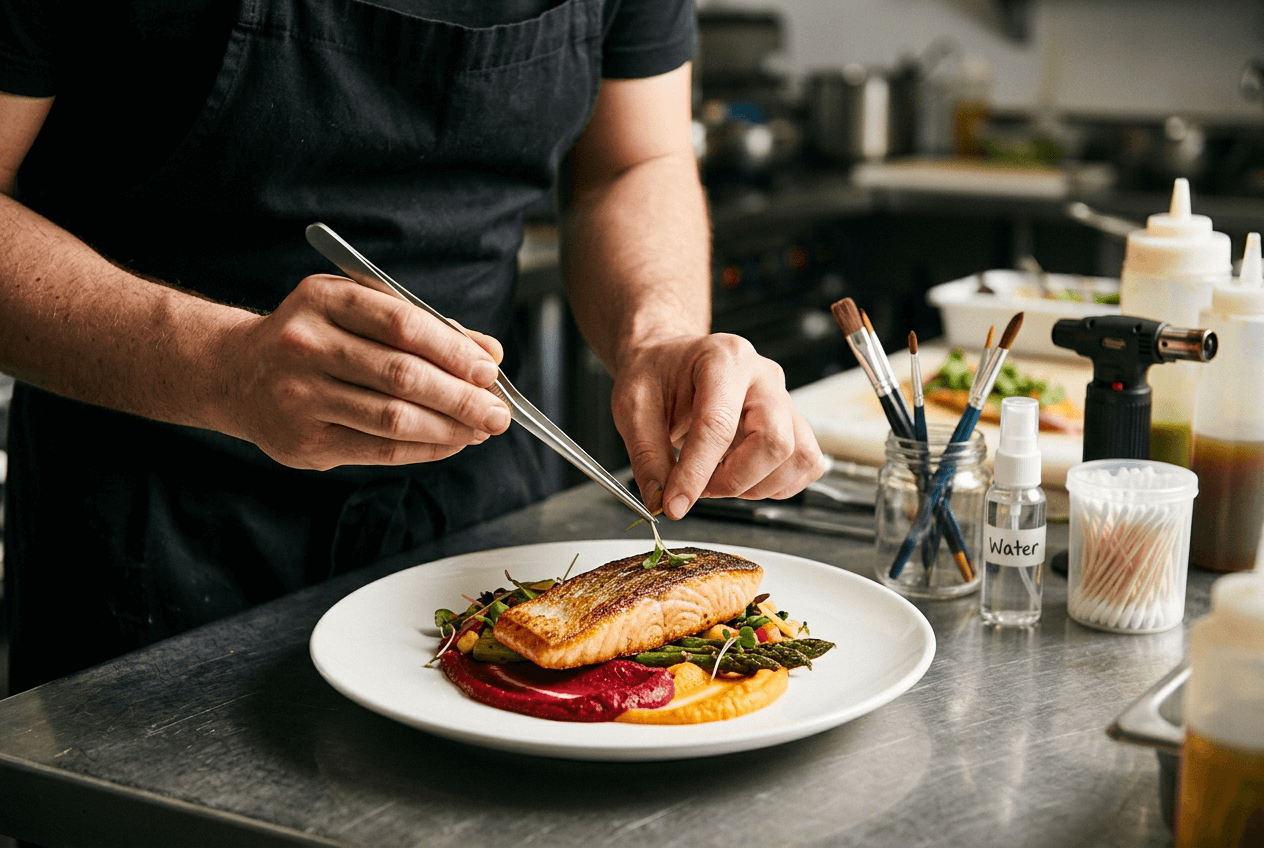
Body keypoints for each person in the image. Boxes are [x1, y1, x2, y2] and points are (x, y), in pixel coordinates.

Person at [0, 0, 826, 694]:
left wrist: (658, 333)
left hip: (477, 519)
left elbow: (633, 160)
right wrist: (223, 367)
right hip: (150, 539)